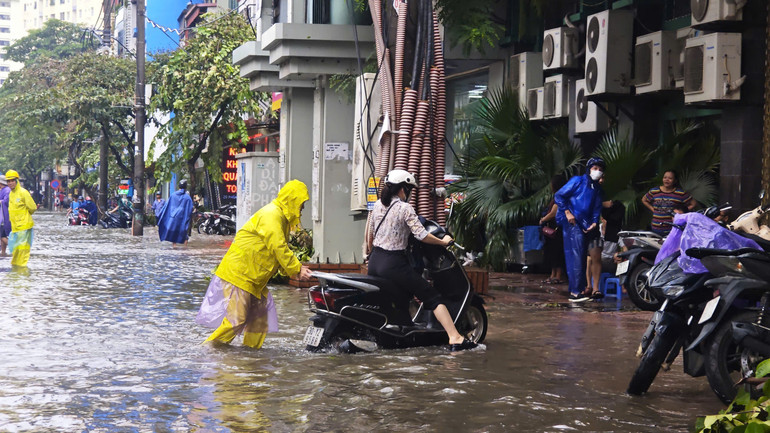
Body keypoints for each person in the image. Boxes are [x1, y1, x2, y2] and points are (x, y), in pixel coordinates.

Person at [365, 169, 477, 351]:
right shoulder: (404, 208)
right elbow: (422, 235)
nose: (409, 193)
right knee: (431, 296)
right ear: (403, 189)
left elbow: (369, 235)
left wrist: (369, 254)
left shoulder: (378, 205)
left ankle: (404, 335)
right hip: (393, 263)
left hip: (375, 261)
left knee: (399, 296)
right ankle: (455, 337)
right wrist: (443, 241)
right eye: (408, 189)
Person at [196, 179, 313, 348]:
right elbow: (278, 246)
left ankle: (250, 356)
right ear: (292, 200)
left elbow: (274, 252)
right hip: (240, 274)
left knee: (258, 320)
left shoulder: (281, 218)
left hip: (254, 279)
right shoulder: (272, 215)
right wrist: (297, 268)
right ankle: (208, 349)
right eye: (301, 204)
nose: (302, 209)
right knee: (236, 320)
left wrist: (295, 269)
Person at [554, 158, 605, 303]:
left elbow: (596, 207)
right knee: (575, 255)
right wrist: (567, 213)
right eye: (594, 168)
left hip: (584, 224)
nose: (597, 171)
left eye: (600, 169)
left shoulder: (596, 188)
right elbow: (559, 195)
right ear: (589, 168)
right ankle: (575, 292)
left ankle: (579, 290)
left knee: (581, 256)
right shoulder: (578, 181)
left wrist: (595, 222)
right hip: (572, 221)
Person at [641, 170, 694, 236]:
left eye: (670, 178)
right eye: (665, 177)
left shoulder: (680, 193)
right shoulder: (654, 191)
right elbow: (644, 200)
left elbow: (693, 204)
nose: (667, 180)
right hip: (656, 227)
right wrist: (653, 209)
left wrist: (680, 214)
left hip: (672, 228)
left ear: (675, 180)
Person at [5, 170, 37, 267]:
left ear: (17, 181)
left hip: (24, 226)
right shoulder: (11, 194)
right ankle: (16, 270)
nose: (10, 183)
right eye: (8, 181)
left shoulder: (23, 192)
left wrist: (24, 217)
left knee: (22, 249)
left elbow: (32, 207)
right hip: (15, 227)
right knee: (16, 249)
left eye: (12, 180)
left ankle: (21, 270)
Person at [539, 176, 565, 284]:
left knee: (557, 252)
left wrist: (543, 219)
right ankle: (552, 274)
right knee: (551, 253)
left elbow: (554, 212)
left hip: (557, 229)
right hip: (551, 230)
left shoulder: (560, 197)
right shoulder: (555, 197)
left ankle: (558, 276)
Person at [157, 180, 194, 245]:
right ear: (186, 187)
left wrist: (159, 215)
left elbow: (166, 207)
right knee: (185, 236)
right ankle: (185, 250)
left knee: (173, 236)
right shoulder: (187, 198)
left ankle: (174, 248)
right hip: (182, 219)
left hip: (173, 219)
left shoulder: (173, 195)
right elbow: (189, 210)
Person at [0, 175, 10, 256]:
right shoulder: (3, 190)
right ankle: (3, 252)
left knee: (2, 236)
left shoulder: (6, 190)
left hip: (4, 217)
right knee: (2, 235)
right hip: (3, 216)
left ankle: (14, 248)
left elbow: (6, 201)